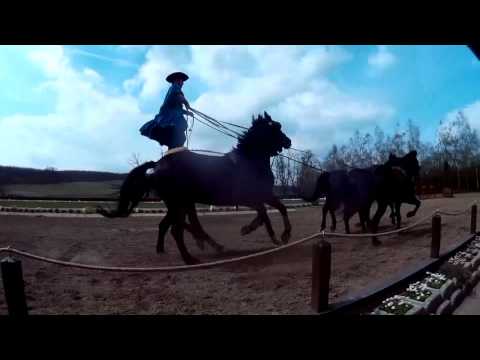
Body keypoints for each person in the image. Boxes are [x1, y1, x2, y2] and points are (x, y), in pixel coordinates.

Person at [140, 72, 194, 150]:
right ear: (176, 80)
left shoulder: (174, 90)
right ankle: (174, 150)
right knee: (179, 136)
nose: (183, 83)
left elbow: (177, 109)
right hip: (169, 118)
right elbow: (179, 97)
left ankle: (172, 149)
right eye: (182, 81)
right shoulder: (175, 87)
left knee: (179, 137)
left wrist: (187, 112)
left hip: (172, 116)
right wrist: (187, 104)